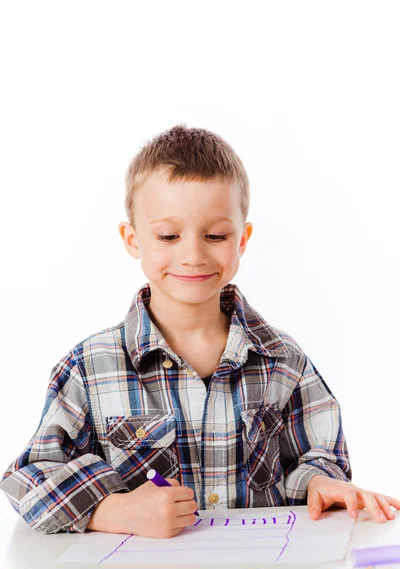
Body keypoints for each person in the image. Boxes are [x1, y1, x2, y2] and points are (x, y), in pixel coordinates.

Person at [1, 125, 399, 537]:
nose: (192, 254)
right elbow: (29, 480)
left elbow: (319, 456)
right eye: (168, 236)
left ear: (242, 239)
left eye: (215, 235)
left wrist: (321, 482)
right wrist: (110, 511)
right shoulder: (89, 367)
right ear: (132, 239)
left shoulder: (283, 360)